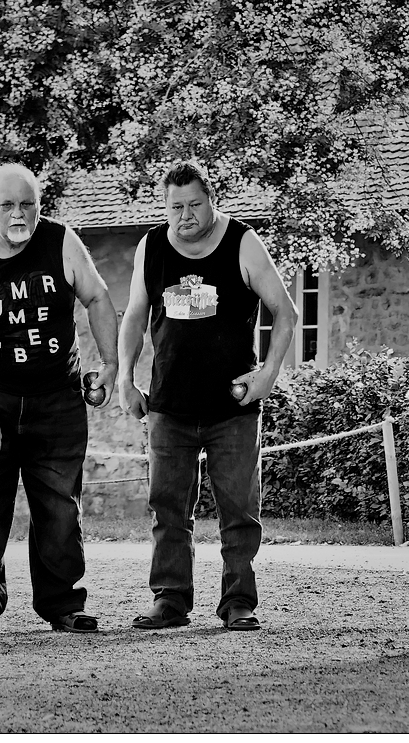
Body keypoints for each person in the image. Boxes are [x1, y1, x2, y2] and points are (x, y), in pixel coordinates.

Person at [117, 160, 298, 632]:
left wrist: (268, 374)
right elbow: (135, 316)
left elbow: (285, 311)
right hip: (168, 405)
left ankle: (238, 602)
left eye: (195, 204)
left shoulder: (242, 242)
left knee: (239, 509)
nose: (185, 215)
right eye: (175, 206)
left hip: (231, 407)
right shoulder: (151, 247)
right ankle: (170, 599)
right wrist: (124, 379)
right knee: (168, 508)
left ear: (211, 199)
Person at [0, 162, 118, 634]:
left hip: (56, 396)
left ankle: (63, 605)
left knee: (61, 506)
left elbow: (98, 299)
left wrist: (111, 362)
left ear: (38, 206)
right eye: (7, 205)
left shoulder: (62, 242)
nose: (19, 214)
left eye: (28, 204)